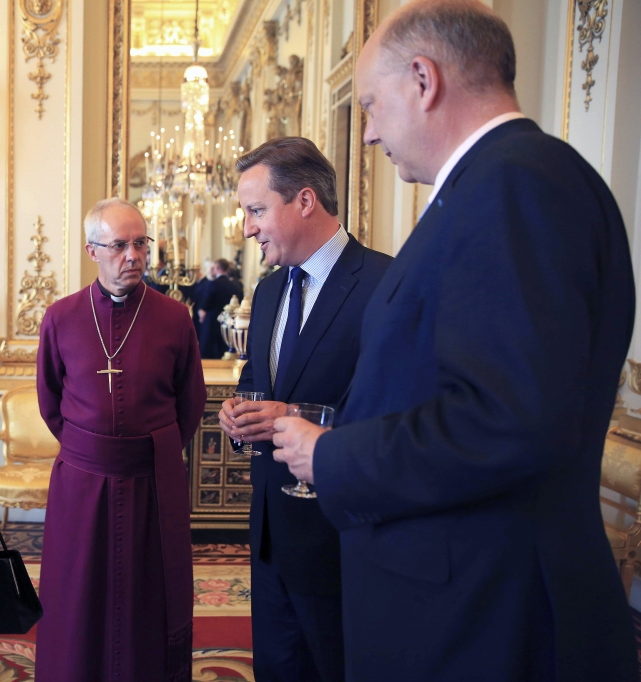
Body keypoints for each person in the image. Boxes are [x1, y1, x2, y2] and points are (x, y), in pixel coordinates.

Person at [270, 2, 637, 680]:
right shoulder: (495, 184)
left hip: (488, 615)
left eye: (374, 106)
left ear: (423, 79)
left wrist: (335, 453)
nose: (371, 133)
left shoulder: (517, 184)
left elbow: (507, 418)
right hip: (465, 594)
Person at [218, 137, 391, 682]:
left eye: (255, 210)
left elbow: (396, 412)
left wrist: (298, 414)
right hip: (271, 535)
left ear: (306, 202)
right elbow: (255, 383)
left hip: (342, 537)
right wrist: (239, 418)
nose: (247, 228)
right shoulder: (266, 293)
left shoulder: (385, 286)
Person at [35, 198, 207, 682]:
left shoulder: (174, 318)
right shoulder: (61, 317)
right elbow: (50, 401)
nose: (132, 255)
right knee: (79, 596)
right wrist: (92, 451)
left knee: (147, 597)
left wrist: (146, 450)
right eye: (119, 245)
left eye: (140, 243)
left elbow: (189, 402)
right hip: (83, 483)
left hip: (152, 481)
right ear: (93, 250)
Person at [197, 258, 244, 359]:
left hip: (211, 322)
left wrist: (201, 315)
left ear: (217, 268)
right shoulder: (235, 286)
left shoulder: (213, 284)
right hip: (229, 322)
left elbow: (205, 304)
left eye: (213, 267)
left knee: (208, 352)